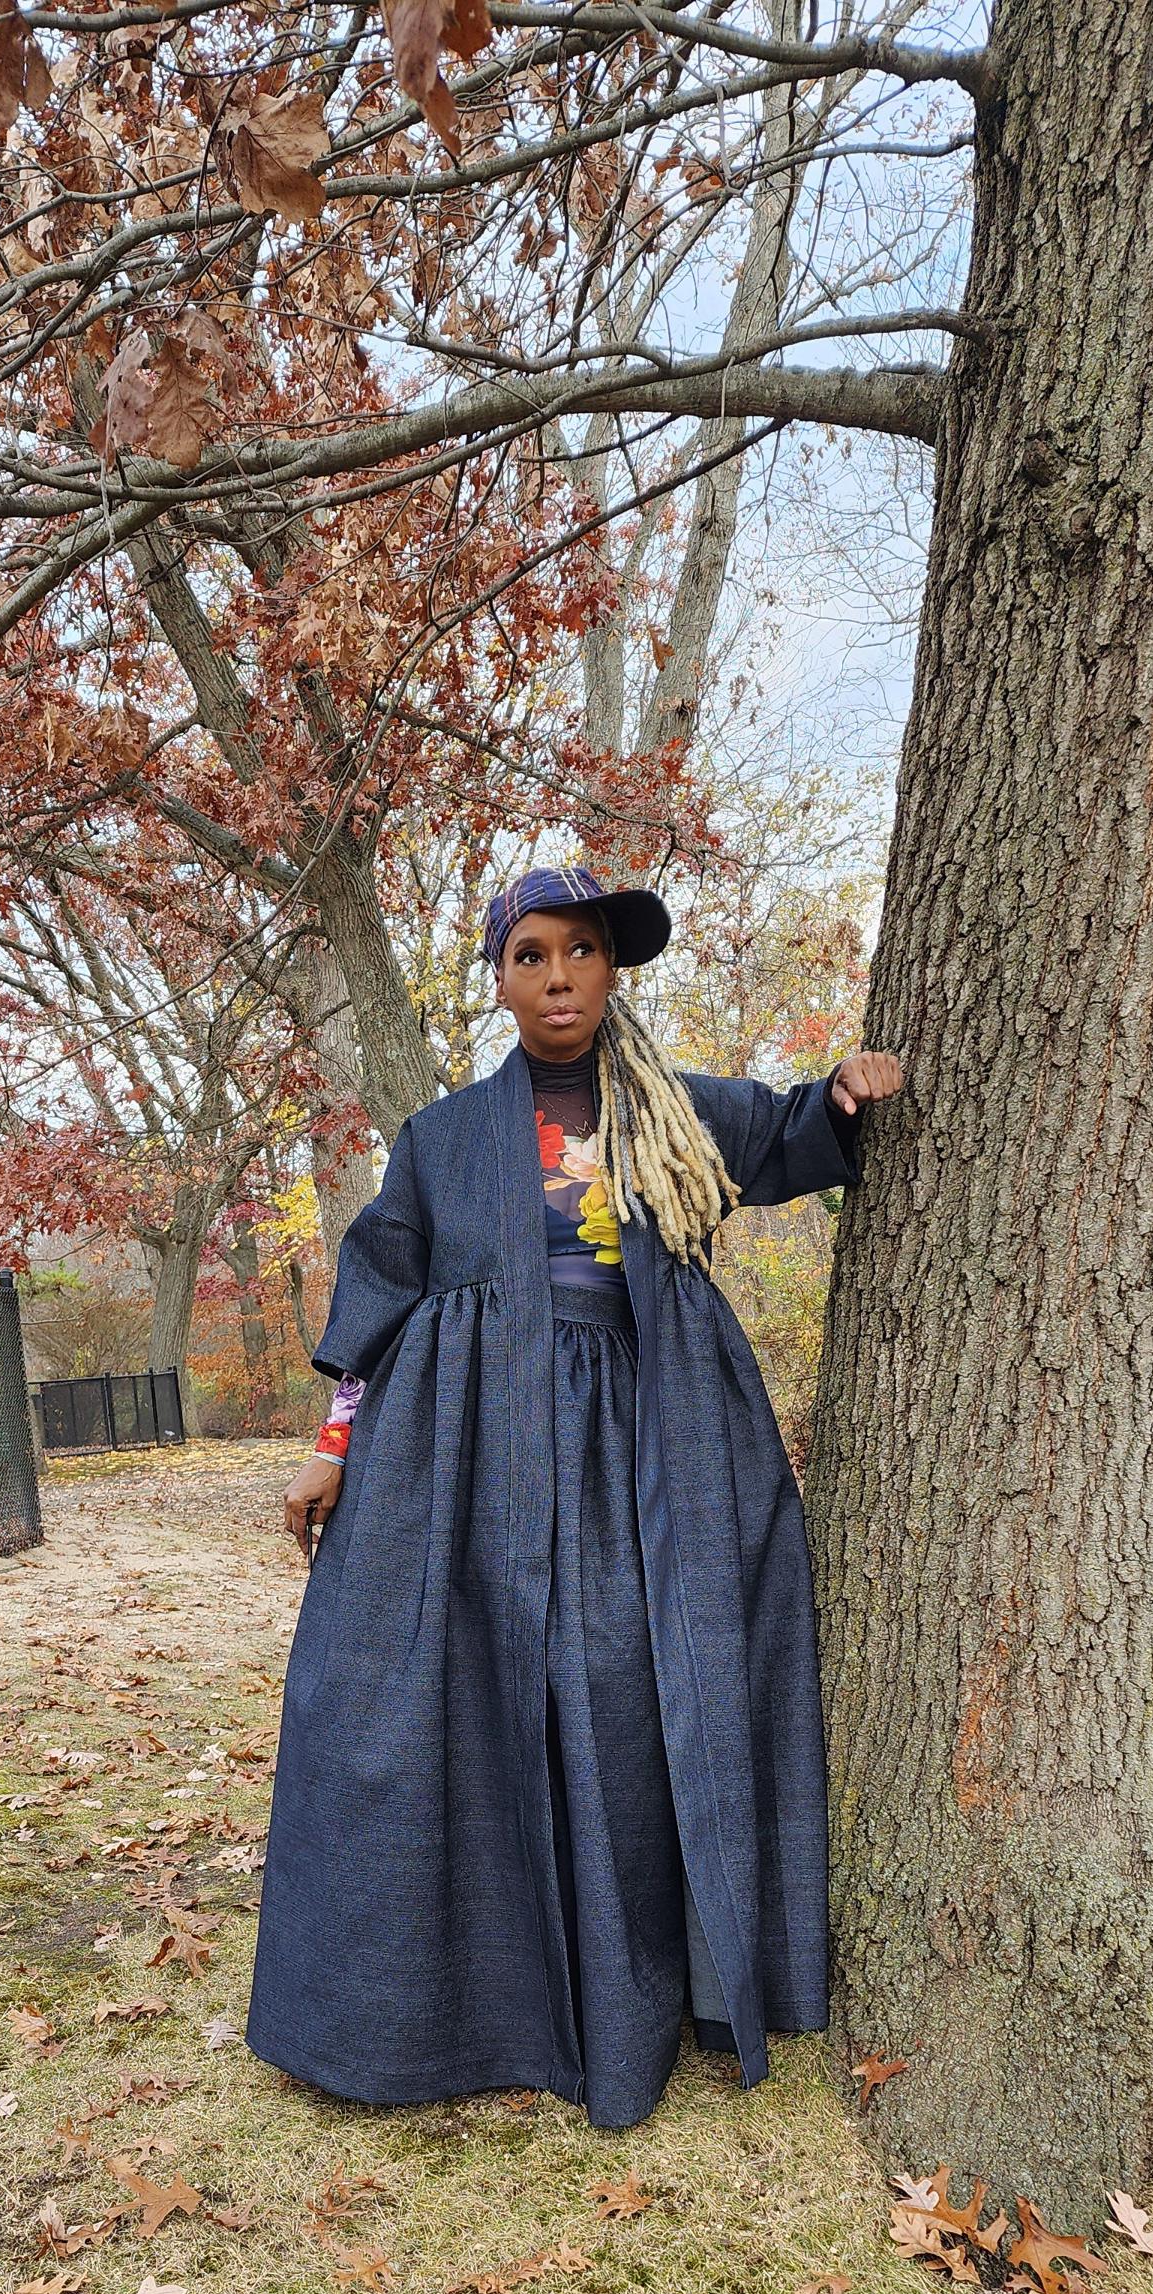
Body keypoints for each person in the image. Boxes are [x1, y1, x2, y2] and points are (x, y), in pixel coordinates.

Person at [247, 866, 903, 2131]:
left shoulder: (679, 1110)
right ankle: (457, 1998)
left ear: (613, 969)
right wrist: (334, 1447)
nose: (559, 978)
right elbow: (376, 1296)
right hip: (479, 1452)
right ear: (499, 978)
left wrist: (843, 1093)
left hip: (655, 1440)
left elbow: (791, 1135)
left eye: (583, 952)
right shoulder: (442, 1140)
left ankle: (643, 1987)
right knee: (453, 1690)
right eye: (531, 955)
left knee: (624, 1684)